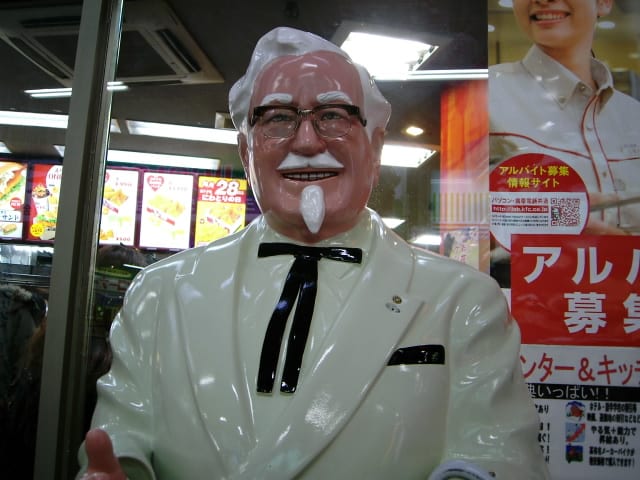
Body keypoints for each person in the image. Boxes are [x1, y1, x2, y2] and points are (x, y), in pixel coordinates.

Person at [78, 27, 549, 479]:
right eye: (278, 118)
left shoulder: (462, 300)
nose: (306, 142)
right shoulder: (160, 293)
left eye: (334, 115)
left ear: (375, 147)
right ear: (246, 152)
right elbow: (123, 435)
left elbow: (500, 454)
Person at [490, 0, 640, 236]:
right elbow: (458, 222)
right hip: (525, 261)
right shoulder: (483, 94)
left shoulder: (633, 115)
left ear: (603, 2)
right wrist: (557, 216)